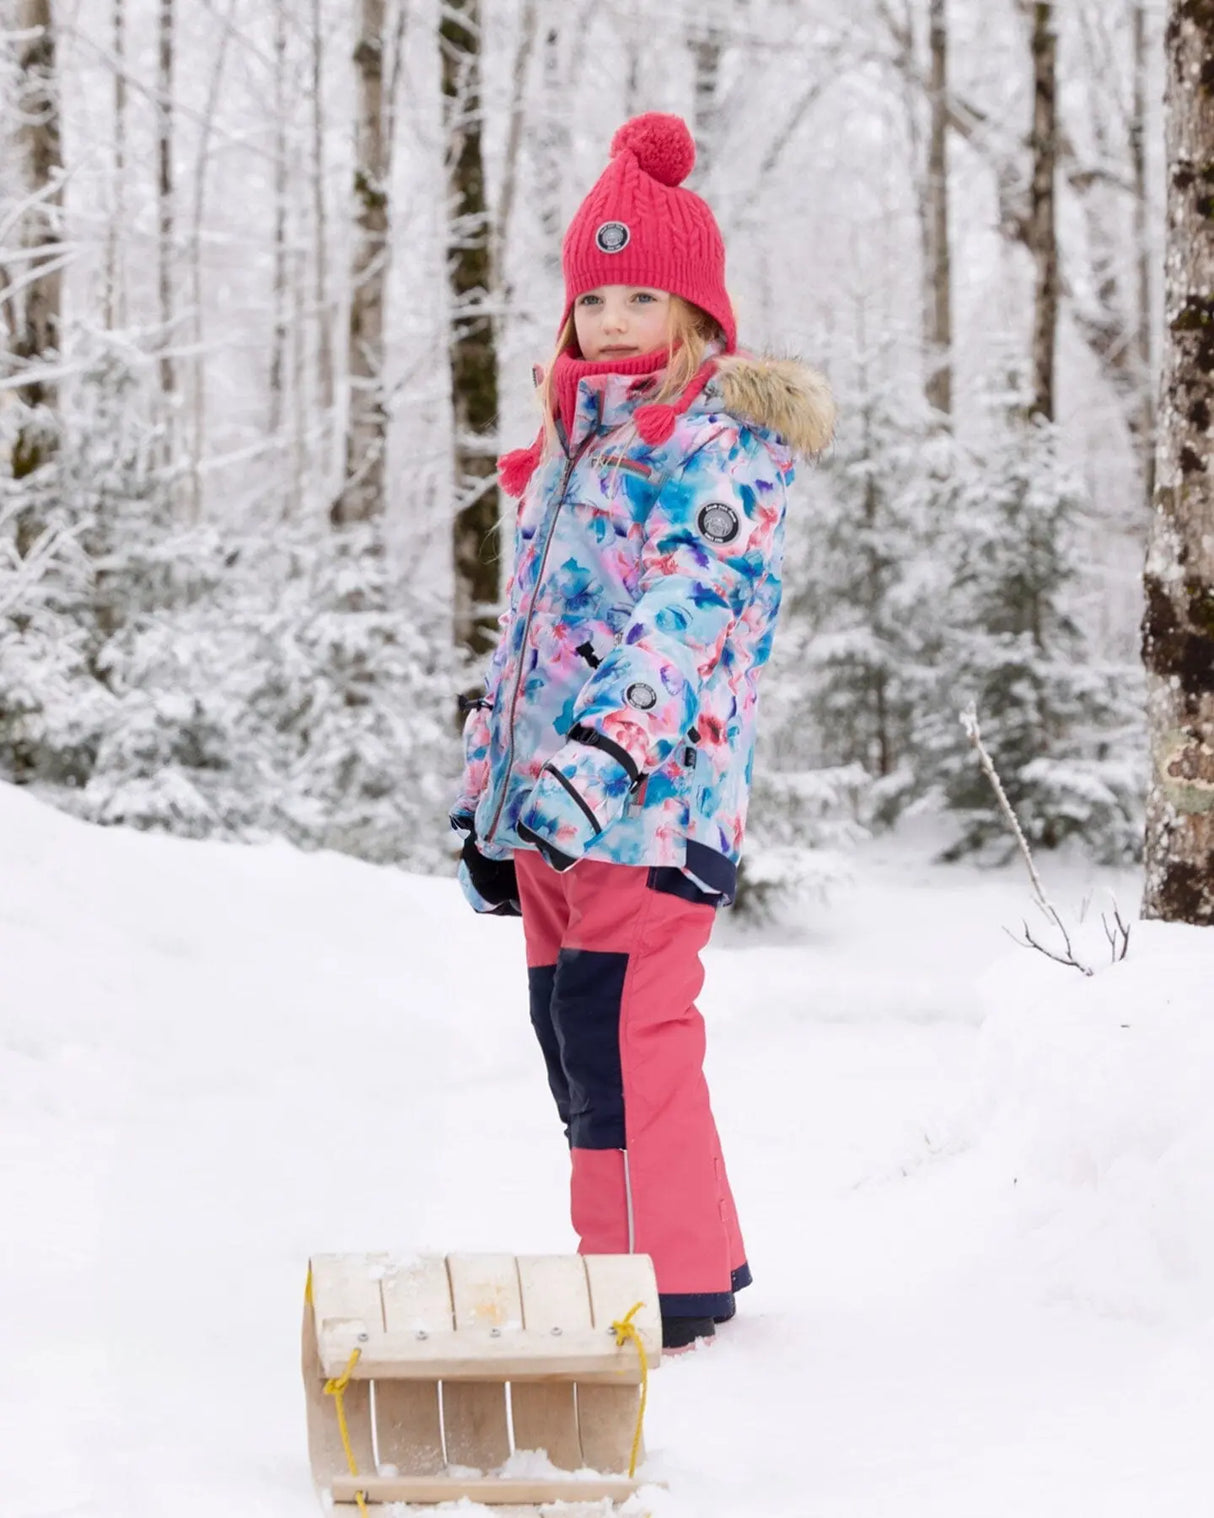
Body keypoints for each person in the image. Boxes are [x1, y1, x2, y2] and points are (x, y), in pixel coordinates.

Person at [450, 112, 834, 1350]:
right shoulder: (566, 450)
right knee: (575, 1041)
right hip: (553, 816)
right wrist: (487, 795)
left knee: (614, 1036)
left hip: (645, 807)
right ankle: (690, 1260)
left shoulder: (717, 446)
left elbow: (688, 614)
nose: (613, 320)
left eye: (642, 295)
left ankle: (635, 1296)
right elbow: (524, 646)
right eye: (594, 295)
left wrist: (603, 757)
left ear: (697, 315)